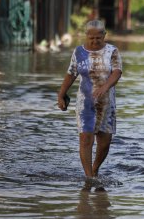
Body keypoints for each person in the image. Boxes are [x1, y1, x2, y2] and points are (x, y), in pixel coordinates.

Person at [57, 20, 123, 184]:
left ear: (104, 35)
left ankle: (95, 168)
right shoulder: (79, 52)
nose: (94, 41)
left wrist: (105, 87)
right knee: (86, 139)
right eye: (91, 38)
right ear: (86, 36)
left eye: (98, 38)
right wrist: (61, 94)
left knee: (104, 142)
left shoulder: (112, 51)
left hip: (107, 103)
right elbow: (71, 73)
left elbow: (117, 72)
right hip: (85, 103)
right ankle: (89, 177)